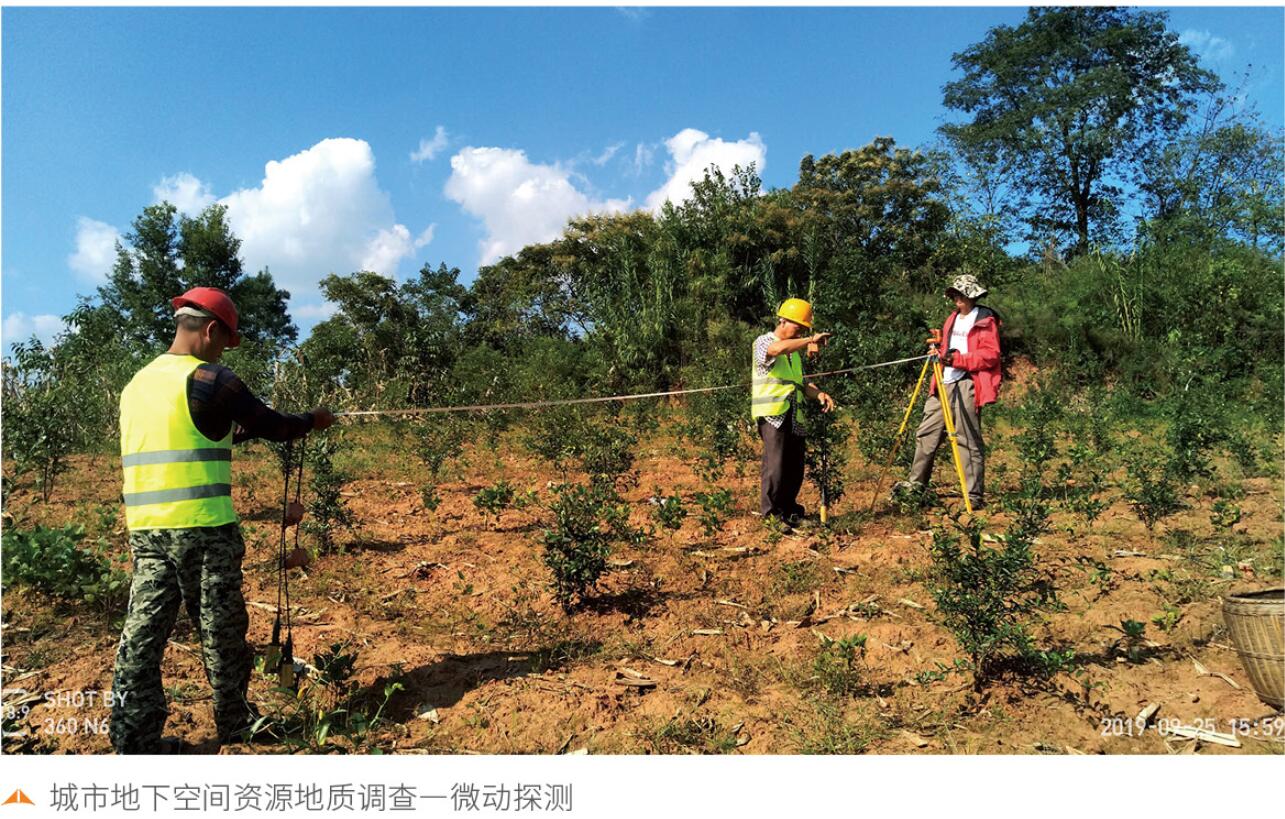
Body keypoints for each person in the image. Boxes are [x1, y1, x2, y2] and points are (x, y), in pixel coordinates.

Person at [110, 287, 335, 754]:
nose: (222, 352)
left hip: (147, 532)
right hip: (204, 530)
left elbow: (197, 434)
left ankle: (133, 738)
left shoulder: (136, 385)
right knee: (222, 633)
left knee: (142, 636)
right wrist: (313, 420)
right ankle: (237, 724)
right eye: (224, 342)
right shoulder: (212, 379)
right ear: (212, 330)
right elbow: (275, 425)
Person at [893, 274, 1002, 510]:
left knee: (967, 438)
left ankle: (973, 495)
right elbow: (947, 348)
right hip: (943, 381)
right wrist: (940, 350)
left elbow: (990, 355)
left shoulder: (985, 319)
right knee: (926, 433)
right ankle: (916, 489)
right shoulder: (951, 318)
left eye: (960, 294)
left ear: (972, 295)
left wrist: (958, 360)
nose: (956, 298)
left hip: (967, 382)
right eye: (954, 294)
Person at [752, 298, 836, 529]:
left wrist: (819, 394)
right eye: (798, 327)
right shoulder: (764, 342)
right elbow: (776, 350)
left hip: (794, 414)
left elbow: (801, 383)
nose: (800, 332)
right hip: (773, 413)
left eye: (803, 330)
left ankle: (790, 512)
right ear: (782, 320)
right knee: (775, 466)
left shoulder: (795, 354)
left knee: (794, 467)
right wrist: (809, 340)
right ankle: (772, 515)